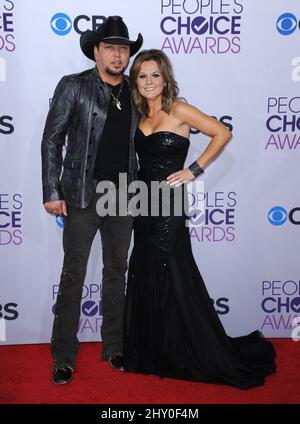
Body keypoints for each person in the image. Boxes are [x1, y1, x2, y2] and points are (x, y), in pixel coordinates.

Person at [123, 49, 276, 389]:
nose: (149, 82)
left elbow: (222, 133)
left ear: (165, 78)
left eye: (155, 75)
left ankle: (186, 350)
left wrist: (193, 170)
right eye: (143, 76)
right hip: (143, 202)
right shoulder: (137, 113)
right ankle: (154, 349)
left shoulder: (178, 109)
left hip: (169, 204)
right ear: (136, 81)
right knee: (146, 268)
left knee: (174, 270)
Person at [41, 16, 143, 385]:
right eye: (111, 47)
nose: (118, 55)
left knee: (117, 272)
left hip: (123, 194)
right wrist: (52, 191)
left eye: (124, 48)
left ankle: (114, 346)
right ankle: (64, 355)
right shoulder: (74, 86)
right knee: (74, 274)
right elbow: (52, 139)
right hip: (82, 194)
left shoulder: (136, 89)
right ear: (96, 51)